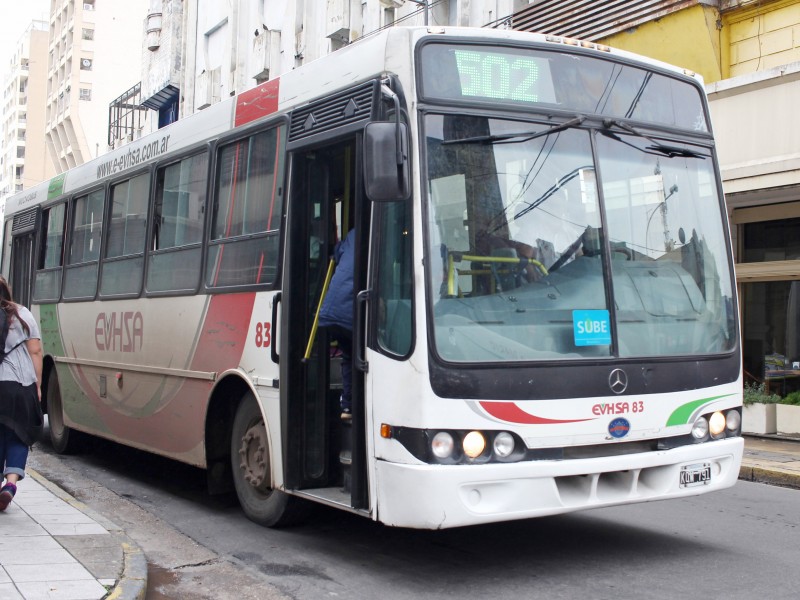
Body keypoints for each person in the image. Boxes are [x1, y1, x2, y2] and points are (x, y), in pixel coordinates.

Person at [0, 275, 43, 511]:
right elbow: (35, 351)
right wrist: (37, 384)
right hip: (19, 384)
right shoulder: (22, 313)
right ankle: (10, 484)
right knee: (19, 434)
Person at [318, 228, 356, 420]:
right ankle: (356, 403)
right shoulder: (380, 232)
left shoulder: (352, 236)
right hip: (348, 313)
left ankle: (347, 407)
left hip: (329, 311)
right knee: (362, 356)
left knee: (349, 356)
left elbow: (338, 252)